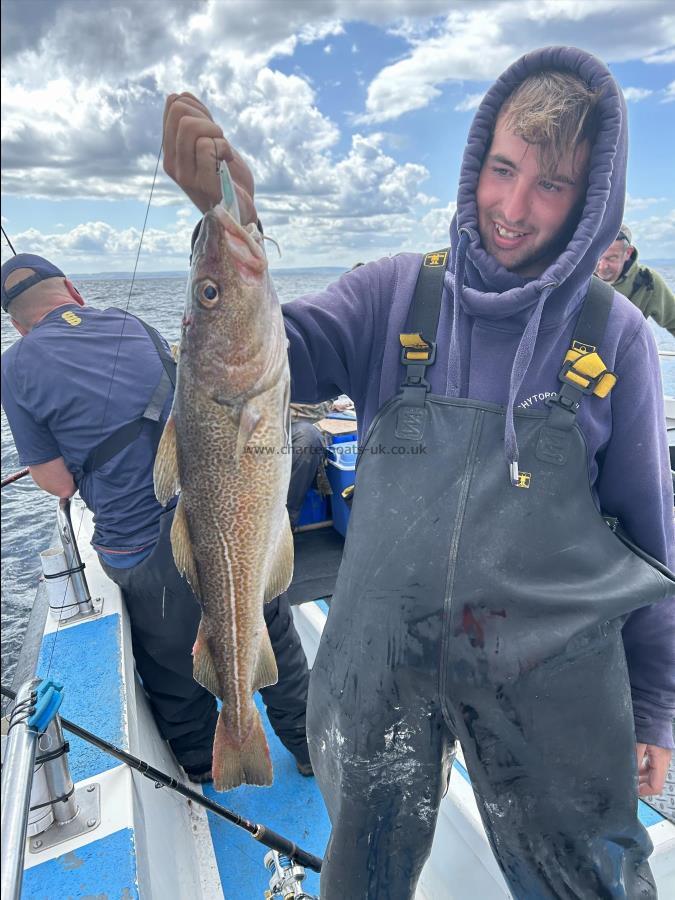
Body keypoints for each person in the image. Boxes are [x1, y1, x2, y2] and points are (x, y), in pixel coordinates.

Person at [163, 46, 675, 899]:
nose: (510, 207)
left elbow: (648, 543)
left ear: (590, 201)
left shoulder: (614, 335)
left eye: (547, 187)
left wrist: (655, 706)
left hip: (553, 686)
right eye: (501, 170)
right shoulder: (393, 295)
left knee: (588, 881)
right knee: (361, 876)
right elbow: (271, 352)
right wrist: (232, 219)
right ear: (477, 161)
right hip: (377, 671)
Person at [0, 254, 313, 782]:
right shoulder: (132, 324)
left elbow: (58, 483)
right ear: (73, 290)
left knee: (171, 665)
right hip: (211, 515)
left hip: (139, 549)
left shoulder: (13, 366)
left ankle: (203, 766)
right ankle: (306, 746)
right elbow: (189, 408)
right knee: (267, 629)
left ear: (16, 324)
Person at [596, 223, 675, 336]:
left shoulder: (648, 280)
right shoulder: (579, 277)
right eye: (598, 257)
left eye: (611, 258)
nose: (602, 266)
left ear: (628, 253)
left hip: (625, 349)